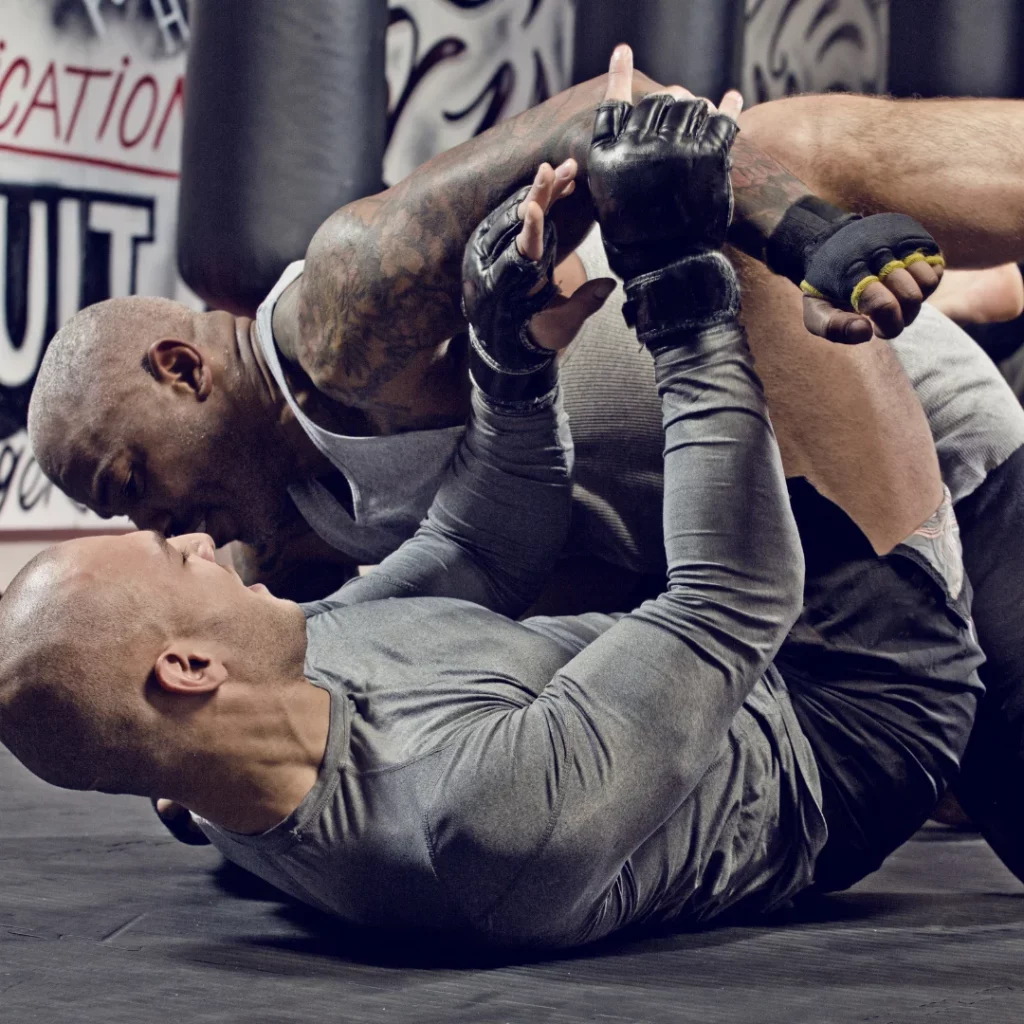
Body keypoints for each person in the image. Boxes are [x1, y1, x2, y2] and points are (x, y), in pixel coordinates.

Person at [0, 82, 983, 949]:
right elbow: (732, 603)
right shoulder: (478, 826)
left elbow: (475, 545)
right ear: (186, 664)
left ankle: (969, 293)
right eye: (172, 561)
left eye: (146, 507)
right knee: (758, 165)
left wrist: (506, 357)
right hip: (847, 708)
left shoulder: (235, 725)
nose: (191, 541)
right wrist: (680, 293)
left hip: (702, 595)